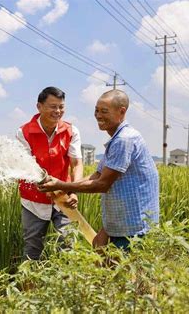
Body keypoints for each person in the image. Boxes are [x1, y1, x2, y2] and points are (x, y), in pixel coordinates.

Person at [37, 89, 159, 251]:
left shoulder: (124, 140)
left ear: (121, 111)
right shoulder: (116, 139)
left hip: (133, 227)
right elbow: (97, 174)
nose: (98, 115)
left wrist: (61, 185)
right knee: (102, 258)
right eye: (96, 110)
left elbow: (102, 184)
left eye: (104, 111)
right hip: (121, 222)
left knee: (124, 273)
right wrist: (63, 188)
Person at [17, 86, 83, 260]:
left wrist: (74, 190)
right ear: (39, 107)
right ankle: (29, 286)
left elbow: (76, 163)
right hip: (34, 200)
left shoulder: (71, 131)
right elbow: (25, 166)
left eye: (61, 107)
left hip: (63, 197)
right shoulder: (23, 133)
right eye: (53, 106)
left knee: (68, 244)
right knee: (32, 247)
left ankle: (67, 285)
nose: (58, 111)